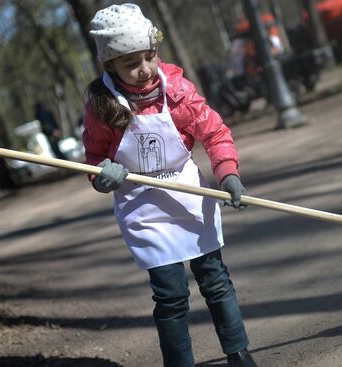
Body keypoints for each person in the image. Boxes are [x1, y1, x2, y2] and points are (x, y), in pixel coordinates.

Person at [83, 4, 257, 367]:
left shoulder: (177, 91)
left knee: (215, 279)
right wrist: (103, 174)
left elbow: (215, 132)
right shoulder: (101, 107)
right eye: (132, 63)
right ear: (109, 65)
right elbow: (92, 156)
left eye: (150, 56)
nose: (145, 68)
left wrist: (227, 173)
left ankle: (238, 353)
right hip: (143, 208)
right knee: (171, 294)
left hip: (190, 196)